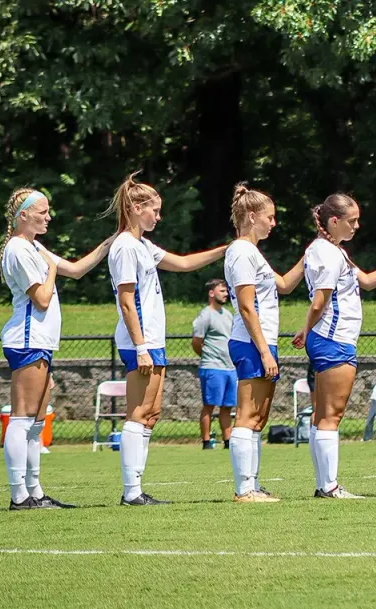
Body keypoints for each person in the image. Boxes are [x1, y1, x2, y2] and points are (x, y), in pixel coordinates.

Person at [107, 172, 227, 506]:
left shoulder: (142, 245)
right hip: (139, 342)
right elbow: (127, 301)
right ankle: (131, 492)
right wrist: (142, 347)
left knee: (152, 413)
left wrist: (226, 250)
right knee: (139, 412)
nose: (158, 217)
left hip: (153, 341)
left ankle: (137, 488)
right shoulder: (125, 247)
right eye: (154, 210)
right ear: (135, 207)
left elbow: (185, 263)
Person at [0, 188, 114, 510]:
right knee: (22, 420)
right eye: (42, 212)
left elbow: (77, 270)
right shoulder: (19, 249)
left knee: (36, 424)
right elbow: (42, 298)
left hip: (41, 342)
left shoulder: (35, 247)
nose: (48, 217)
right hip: (27, 340)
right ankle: (18, 496)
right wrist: (50, 270)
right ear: (23, 215)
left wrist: (111, 240)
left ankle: (34, 492)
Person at [291, 193, 376, 500]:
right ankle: (330, 486)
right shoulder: (327, 253)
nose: (357, 226)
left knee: (322, 415)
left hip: (329, 338)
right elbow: (320, 301)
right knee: (331, 416)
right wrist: (308, 328)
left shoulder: (333, 250)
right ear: (333, 221)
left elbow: (366, 281)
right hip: (334, 339)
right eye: (351, 221)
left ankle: (325, 484)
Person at [225, 183, 304, 503]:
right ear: (252, 215)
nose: (273, 223)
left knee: (259, 416)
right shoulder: (241, 251)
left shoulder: (252, 252)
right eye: (270, 218)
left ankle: (252, 484)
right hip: (250, 342)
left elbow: (283, 285)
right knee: (247, 414)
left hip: (262, 342)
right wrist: (262, 351)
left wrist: (309, 254)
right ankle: (244, 488)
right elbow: (246, 307)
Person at [192, 279, 236, 450]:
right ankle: (206, 441)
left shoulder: (228, 314)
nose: (226, 294)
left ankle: (227, 441)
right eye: (222, 291)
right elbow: (197, 341)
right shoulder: (206, 315)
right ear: (212, 293)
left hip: (229, 367)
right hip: (212, 367)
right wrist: (207, 356)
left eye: (226, 291)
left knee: (227, 406)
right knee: (209, 405)